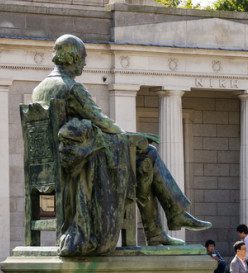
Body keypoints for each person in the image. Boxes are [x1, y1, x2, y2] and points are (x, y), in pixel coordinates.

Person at [32, 34, 209, 255]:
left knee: (144, 158)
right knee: (147, 155)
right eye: (83, 58)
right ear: (72, 58)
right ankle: (162, 225)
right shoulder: (72, 88)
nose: (84, 63)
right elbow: (102, 121)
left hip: (53, 167)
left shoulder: (39, 89)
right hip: (80, 170)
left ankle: (163, 226)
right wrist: (129, 136)